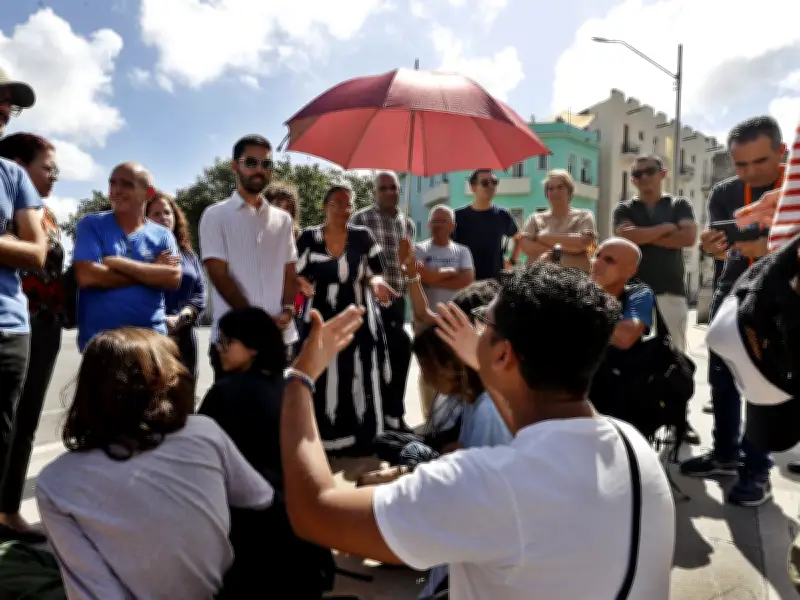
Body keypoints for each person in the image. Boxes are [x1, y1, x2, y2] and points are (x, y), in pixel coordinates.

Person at [279, 262, 675, 599]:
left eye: (485, 322)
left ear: (504, 353)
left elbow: (314, 512)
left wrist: (301, 377)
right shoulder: (631, 442)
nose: (475, 332)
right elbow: (530, 422)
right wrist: (489, 366)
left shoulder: (488, 483)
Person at [35, 328, 274, 599]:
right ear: (173, 380)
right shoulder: (204, 432)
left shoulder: (55, 482)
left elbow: (95, 590)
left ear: (88, 390)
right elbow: (261, 500)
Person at [680, 116, 785, 506]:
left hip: (781, 298)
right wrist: (713, 247)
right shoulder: (725, 192)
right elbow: (722, 244)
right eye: (741, 164)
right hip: (732, 292)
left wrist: (769, 249)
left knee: (764, 386)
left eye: (760, 161)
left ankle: (757, 470)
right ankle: (724, 454)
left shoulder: (792, 191)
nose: (750, 172)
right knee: (722, 378)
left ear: (781, 152)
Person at [296, 184, 395, 456]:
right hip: (321, 316)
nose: (344, 209)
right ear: (324, 207)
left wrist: (377, 284)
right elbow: (295, 271)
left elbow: (375, 272)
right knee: (324, 372)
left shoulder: (363, 236)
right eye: (337, 203)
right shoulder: (309, 237)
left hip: (357, 315)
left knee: (360, 372)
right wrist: (302, 282)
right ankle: (323, 439)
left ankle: (363, 439)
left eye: (349, 204)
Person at [0, 133, 62, 542]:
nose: (54, 176)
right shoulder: (9, 202)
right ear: (20, 166)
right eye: (48, 168)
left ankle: (8, 511)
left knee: (23, 423)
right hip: (15, 322)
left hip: (41, 324)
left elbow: (45, 260)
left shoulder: (45, 214)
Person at [613, 154, 699, 445]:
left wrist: (643, 236)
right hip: (634, 293)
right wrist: (664, 229)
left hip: (670, 291)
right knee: (633, 358)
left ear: (662, 173)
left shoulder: (679, 205)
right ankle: (636, 418)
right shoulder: (625, 208)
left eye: (649, 171)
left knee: (677, 359)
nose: (643, 178)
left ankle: (680, 421)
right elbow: (625, 237)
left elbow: (688, 237)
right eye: (637, 174)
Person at [199, 135, 298, 379]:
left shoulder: (283, 219)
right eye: (251, 162)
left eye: (266, 164)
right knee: (233, 405)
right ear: (235, 165)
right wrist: (258, 323)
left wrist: (288, 309)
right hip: (234, 344)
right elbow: (219, 275)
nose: (259, 170)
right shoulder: (215, 215)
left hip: (277, 339)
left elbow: (289, 271)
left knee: (276, 404)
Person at [0, 76, 48, 543]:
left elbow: (36, 252)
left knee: (7, 432)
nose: (5, 108)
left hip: (10, 328)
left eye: (10, 104)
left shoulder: (12, 177)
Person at [72, 163, 181, 352]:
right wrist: (151, 271)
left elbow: (173, 278)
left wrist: (117, 263)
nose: (116, 190)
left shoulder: (163, 235)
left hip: (152, 342)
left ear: (148, 193)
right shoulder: (91, 225)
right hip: (101, 344)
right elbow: (87, 275)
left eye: (127, 184)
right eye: (112, 183)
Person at [350, 171, 414, 432]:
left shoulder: (407, 223)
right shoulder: (361, 219)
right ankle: (372, 417)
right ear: (374, 193)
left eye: (394, 187)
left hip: (397, 301)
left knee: (400, 353)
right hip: (370, 301)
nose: (389, 192)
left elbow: (408, 267)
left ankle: (394, 415)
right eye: (383, 188)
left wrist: (408, 259)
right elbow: (352, 260)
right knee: (374, 360)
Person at [413, 205, 474, 419]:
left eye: (443, 221)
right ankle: (430, 419)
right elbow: (420, 277)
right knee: (429, 371)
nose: (438, 225)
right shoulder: (419, 249)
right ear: (428, 224)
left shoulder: (462, 251)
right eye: (435, 221)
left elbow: (467, 280)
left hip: (455, 320)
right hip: (426, 320)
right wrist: (450, 272)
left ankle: (454, 419)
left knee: (457, 370)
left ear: (453, 226)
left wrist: (433, 276)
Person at [146, 191, 206, 387]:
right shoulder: (134, 253)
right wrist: (152, 267)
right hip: (147, 338)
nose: (163, 218)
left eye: (167, 212)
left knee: (184, 394)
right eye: (156, 214)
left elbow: (200, 293)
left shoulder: (188, 255)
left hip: (184, 336)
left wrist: (182, 317)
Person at [519, 169, 597, 272]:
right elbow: (525, 245)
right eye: (551, 188)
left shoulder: (584, 216)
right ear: (546, 194)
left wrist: (543, 237)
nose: (555, 192)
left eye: (560, 187)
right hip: (540, 278)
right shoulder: (535, 219)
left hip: (576, 278)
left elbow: (583, 242)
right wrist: (564, 251)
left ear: (569, 191)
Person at [452, 169, 522, 279]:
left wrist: (511, 262)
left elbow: (519, 238)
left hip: (494, 282)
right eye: (485, 183)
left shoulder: (502, 215)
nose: (491, 186)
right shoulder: (457, 216)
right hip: (466, 282)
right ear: (473, 187)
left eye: (494, 182)